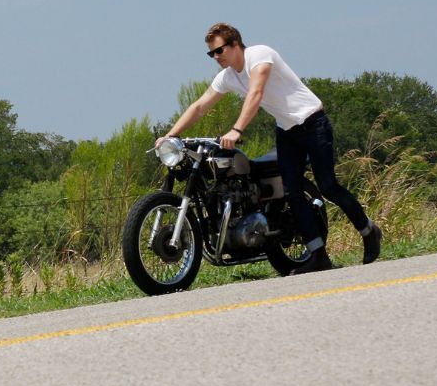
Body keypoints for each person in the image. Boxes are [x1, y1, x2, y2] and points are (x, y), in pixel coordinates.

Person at [156, 22, 382, 274]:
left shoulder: (259, 55)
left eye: (219, 51)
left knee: (328, 185)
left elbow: (256, 92)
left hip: (313, 122)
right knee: (292, 193)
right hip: (287, 131)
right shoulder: (228, 76)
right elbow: (200, 106)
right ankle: (318, 255)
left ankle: (368, 230)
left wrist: (237, 130)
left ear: (234, 44)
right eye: (211, 54)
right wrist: (170, 135)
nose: (215, 57)